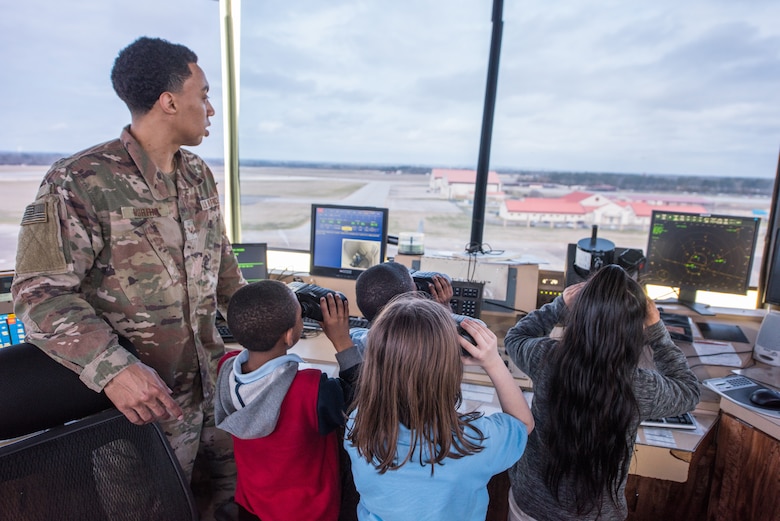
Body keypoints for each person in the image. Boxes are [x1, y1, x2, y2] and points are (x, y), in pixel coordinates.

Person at [11, 36, 242, 518]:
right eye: (203, 94)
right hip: (143, 409)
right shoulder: (78, 180)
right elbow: (39, 295)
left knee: (225, 506)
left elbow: (222, 268)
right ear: (170, 101)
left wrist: (265, 324)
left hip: (214, 395)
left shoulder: (198, 175)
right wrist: (114, 369)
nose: (211, 109)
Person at [503, 265, 701, 521]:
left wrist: (559, 304)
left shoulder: (545, 358)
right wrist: (656, 329)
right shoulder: (639, 386)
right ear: (634, 329)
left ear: (579, 316)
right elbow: (688, 390)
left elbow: (516, 337)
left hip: (530, 507)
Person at [344, 293, 534, 521]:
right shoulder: (475, 442)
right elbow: (523, 423)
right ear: (449, 370)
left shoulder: (358, 426)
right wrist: (492, 362)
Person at [215, 280, 362, 521]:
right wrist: (342, 341)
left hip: (253, 506)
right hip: (307, 512)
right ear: (290, 335)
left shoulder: (226, 369)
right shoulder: (311, 390)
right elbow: (362, 399)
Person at [350, 261, 453, 353]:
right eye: (416, 288)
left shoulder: (357, 342)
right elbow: (449, 343)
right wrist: (444, 309)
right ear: (408, 306)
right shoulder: (430, 346)